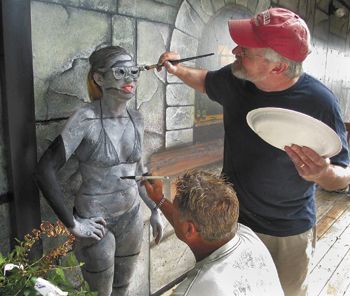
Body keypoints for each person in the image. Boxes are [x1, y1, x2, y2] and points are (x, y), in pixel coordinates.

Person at [157, 7, 350, 296]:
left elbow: (344, 175)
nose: (235, 50)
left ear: (278, 67)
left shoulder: (320, 103)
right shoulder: (237, 79)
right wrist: (177, 69)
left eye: (246, 49)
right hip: (234, 223)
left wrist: (324, 174)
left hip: (288, 233)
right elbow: (205, 80)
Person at [35, 45, 164, 296]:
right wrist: (73, 224)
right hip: (96, 219)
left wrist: (156, 207)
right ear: (99, 78)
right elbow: (44, 170)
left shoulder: (136, 118)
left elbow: (138, 173)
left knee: (122, 288)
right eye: (120, 72)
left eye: (133, 72)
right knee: (100, 293)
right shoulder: (86, 118)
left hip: (131, 214)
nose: (129, 79)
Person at [143, 170, 284, 295]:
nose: (173, 212)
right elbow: (186, 226)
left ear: (189, 229)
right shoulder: (246, 236)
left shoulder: (193, 291)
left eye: (175, 208)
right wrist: (159, 199)